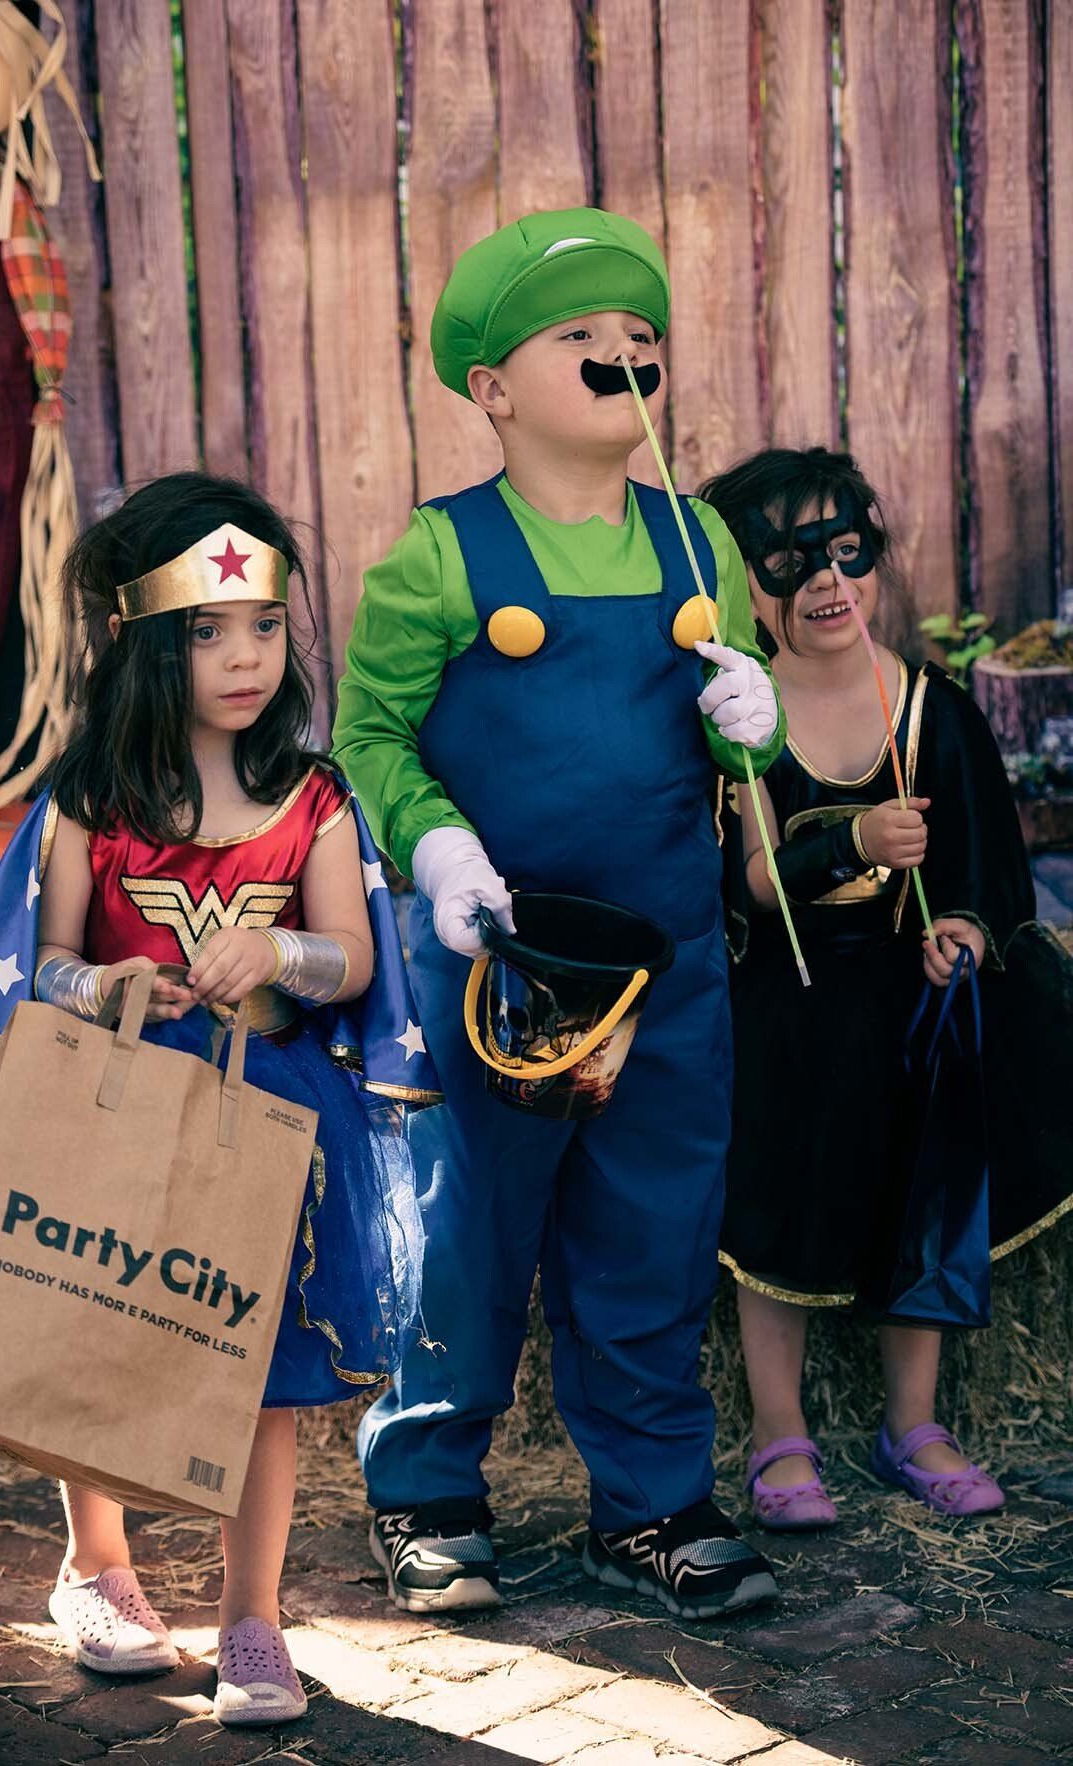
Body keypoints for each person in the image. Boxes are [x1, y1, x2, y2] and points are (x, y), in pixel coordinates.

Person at [0, 472, 438, 1724]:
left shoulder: (311, 797)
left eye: (262, 625)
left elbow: (351, 956)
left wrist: (281, 955)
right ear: (146, 641)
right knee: (97, 1320)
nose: (246, 657)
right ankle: (98, 1565)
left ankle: (255, 1617)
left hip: (272, 1106)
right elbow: (44, 962)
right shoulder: (94, 799)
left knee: (265, 1364)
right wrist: (111, 984)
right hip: (115, 1095)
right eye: (207, 631)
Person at [333, 208, 785, 1622]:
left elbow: (737, 734)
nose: (618, 357)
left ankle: (648, 1508)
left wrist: (749, 721)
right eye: (578, 337)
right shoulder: (440, 552)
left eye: (639, 339)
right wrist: (437, 845)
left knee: (650, 1228)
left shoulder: (692, 530)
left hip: (664, 966)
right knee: (467, 1228)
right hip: (496, 962)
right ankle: (425, 1493)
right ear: (490, 389)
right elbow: (368, 737)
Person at [700, 445, 1073, 1528]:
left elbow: (989, 874)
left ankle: (914, 1417)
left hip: (909, 978)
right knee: (782, 1100)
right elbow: (752, 880)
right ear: (747, 585)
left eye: (845, 552)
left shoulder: (932, 710)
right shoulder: (740, 722)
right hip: (786, 982)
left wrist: (957, 924)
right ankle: (779, 1427)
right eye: (789, 560)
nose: (825, 581)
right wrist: (852, 840)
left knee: (943, 1111)